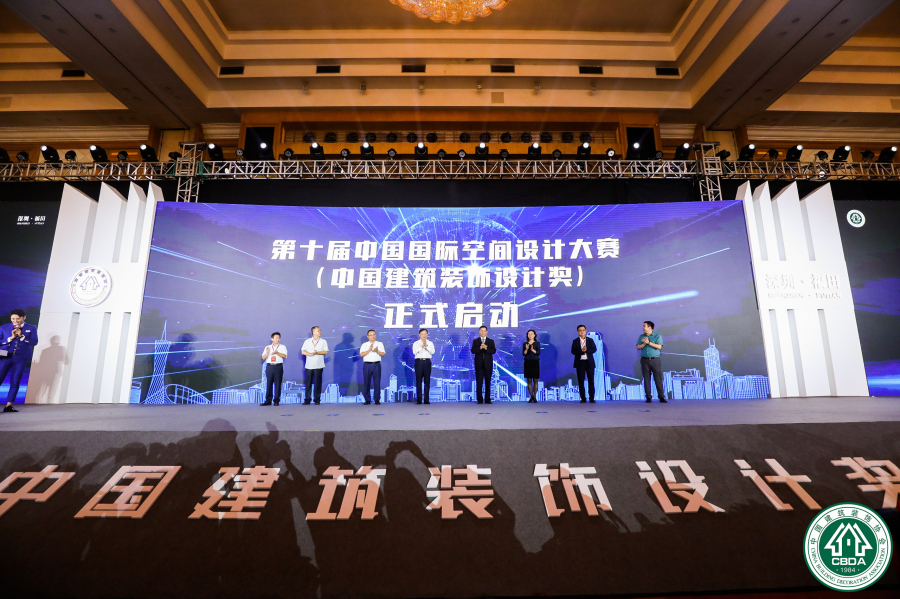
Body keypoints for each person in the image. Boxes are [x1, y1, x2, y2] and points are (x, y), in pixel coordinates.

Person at [0, 309, 37, 413]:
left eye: (18, 318)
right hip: (5, 356)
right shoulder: (4, 327)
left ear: (24, 317)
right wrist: (9, 338)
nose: (15, 321)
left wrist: (22, 337)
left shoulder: (31, 328)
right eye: (13, 319)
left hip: (21, 358)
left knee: (15, 381)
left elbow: (34, 342)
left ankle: (9, 405)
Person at [637, 320, 667, 403]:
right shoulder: (641, 336)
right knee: (646, 379)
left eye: (644, 326)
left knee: (658, 378)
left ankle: (661, 397)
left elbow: (659, 346)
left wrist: (649, 342)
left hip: (655, 360)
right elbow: (638, 347)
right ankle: (648, 397)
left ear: (649, 327)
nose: (643, 328)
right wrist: (644, 343)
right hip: (644, 360)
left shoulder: (657, 336)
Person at [302, 326, 328, 404]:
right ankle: (307, 399)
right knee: (308, 383)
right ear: (313, 332)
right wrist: (310, 354)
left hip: (319, 365)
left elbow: (326, 351)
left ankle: (317, 399)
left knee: (318, 383)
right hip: (309, 365)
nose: (320, 332)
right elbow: (303, 351)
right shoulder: (307, 341)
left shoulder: (323, 341)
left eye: (320, 330)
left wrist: (317, 353)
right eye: (318, 331)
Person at [570, 324, 597, 403]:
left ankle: (591, 398)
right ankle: (583, 398)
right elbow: (573, 351)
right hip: (580, 363)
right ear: (578, 332)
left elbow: (594, 349)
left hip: (589, 363)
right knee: (581, 381)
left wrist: (586, 350)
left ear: (585, 331)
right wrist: (581, 351)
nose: (582, 332)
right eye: (580, 330)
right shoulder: (575, 341)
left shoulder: (590, 340)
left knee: (591, 380)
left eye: (583, 330)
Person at [470, 325, 497, 404]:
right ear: (479, 332)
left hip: (488, 365)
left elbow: (493, 351)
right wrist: (480, 348)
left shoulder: (490, 341)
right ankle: (479, 399)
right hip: (479, 365)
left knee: (488, 382)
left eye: (484, 331)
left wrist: (486, 348)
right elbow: (473, 351)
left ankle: (487, 399)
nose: (482, 332)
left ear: (486, 332)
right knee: (479, 382)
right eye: (481, 331)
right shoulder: (476, 341)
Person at [360, 329, 385, 405]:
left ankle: (377, 399)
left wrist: (377, 351)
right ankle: (367, 399)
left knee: (377, 382)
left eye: (374, 334)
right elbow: (361, 354)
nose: (373, 336)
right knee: (367, 382)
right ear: (368, 336)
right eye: (371, 335)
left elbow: (383, 354)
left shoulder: (380, 344)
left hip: (376, 364)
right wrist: (369, 350)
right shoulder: (364, 345)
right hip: (367, 365)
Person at [260, 332, 287, 406]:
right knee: (269, 384)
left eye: (279, 338)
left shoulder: (282, 347)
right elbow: (263, 357)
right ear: (272, 339)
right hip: (270, 367)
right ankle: (268, 400)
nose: (278, 339)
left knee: (278, 384)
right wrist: (267, 353)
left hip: (278, 367)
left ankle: (276, 401)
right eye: (276, 338)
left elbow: (284, 356)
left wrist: (277, 353)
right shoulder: (267, 347)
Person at [413, 328, 434, 405]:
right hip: (419, 362)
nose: (424, 335)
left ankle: (426, 400)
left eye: (425, 334)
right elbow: (414, 352)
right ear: (419, 335)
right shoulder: (416, 343)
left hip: (427, 362)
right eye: (422, 334)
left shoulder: (430, 343)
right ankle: (419, 400)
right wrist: (421, 346)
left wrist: (426, 346)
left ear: (427, 335)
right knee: (418, 381)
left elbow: (433, 351)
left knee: (427, 381)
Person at [522, 329, 541, 402]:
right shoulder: (525, 343)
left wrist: (532, 350)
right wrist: (527, 349)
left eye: (531, 334)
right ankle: (531, 396)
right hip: (527, 362)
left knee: (535, 379)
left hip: (535, 362)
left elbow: (538, 353)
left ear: (534, 335)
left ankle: (535, 396)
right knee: (529, 380)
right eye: (529, 334)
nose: (530, 335)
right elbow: (523, 354)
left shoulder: (537, 343)